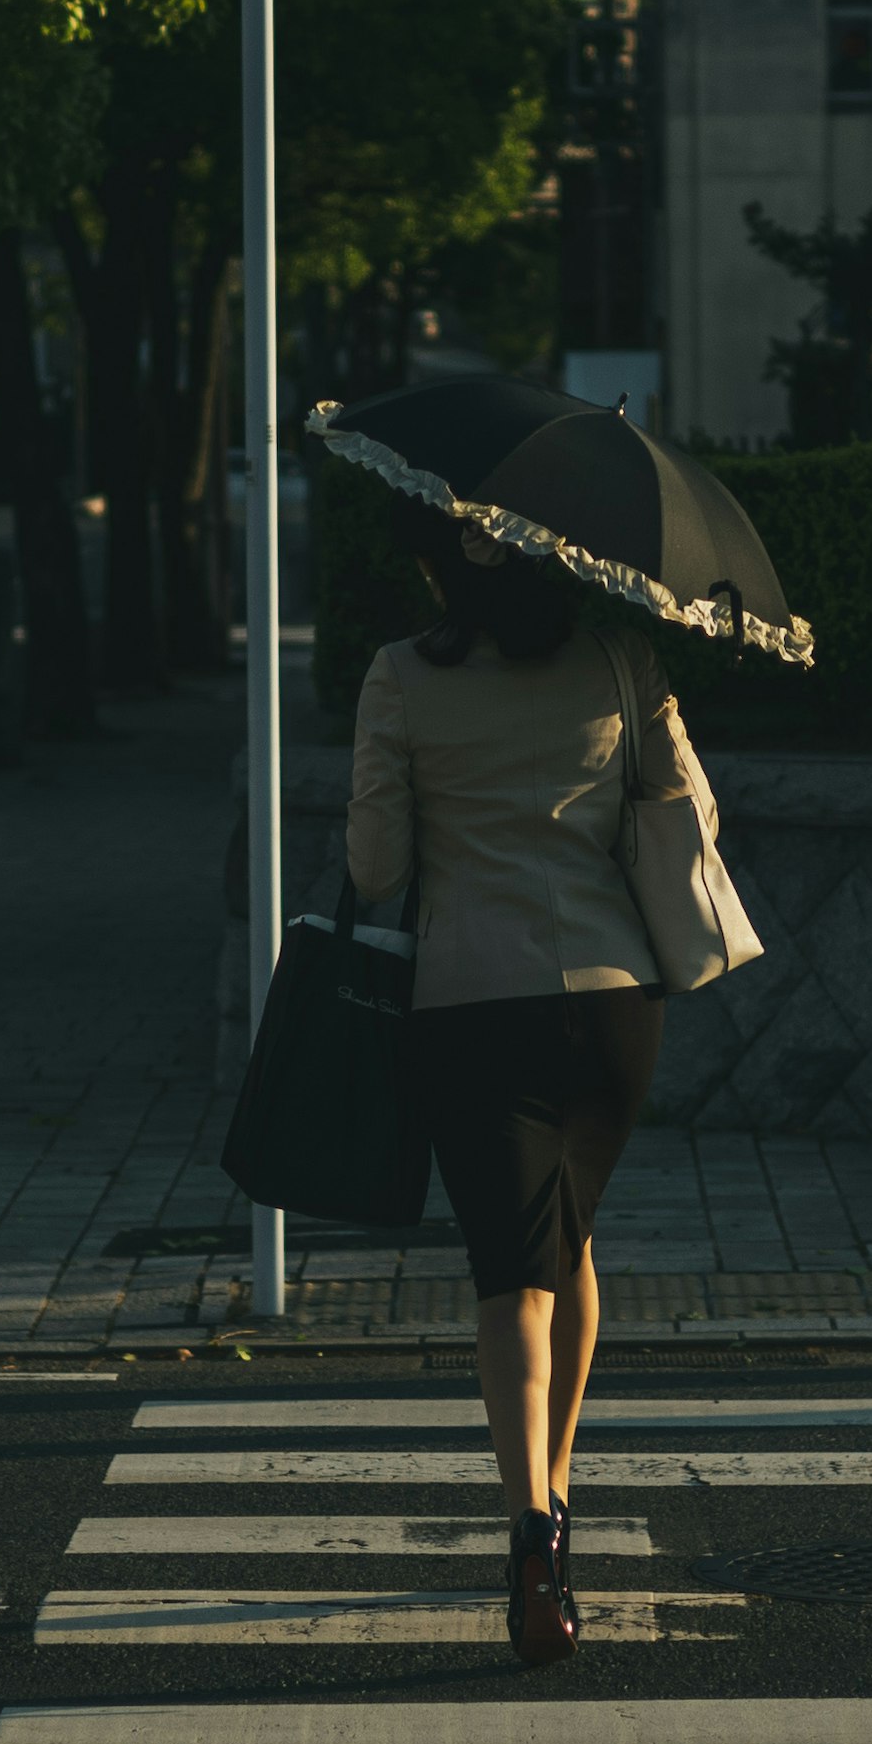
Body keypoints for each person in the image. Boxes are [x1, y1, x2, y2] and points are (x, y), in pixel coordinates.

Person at [344, 511, 715, 1667]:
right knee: (569, 1246)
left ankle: (529, 1533)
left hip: (471, 1002)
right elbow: (689, 813)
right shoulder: (620, 658)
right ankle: (557, 1492)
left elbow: (378, 869)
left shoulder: (400, 677)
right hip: (612, 1006)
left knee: (513, 1273)